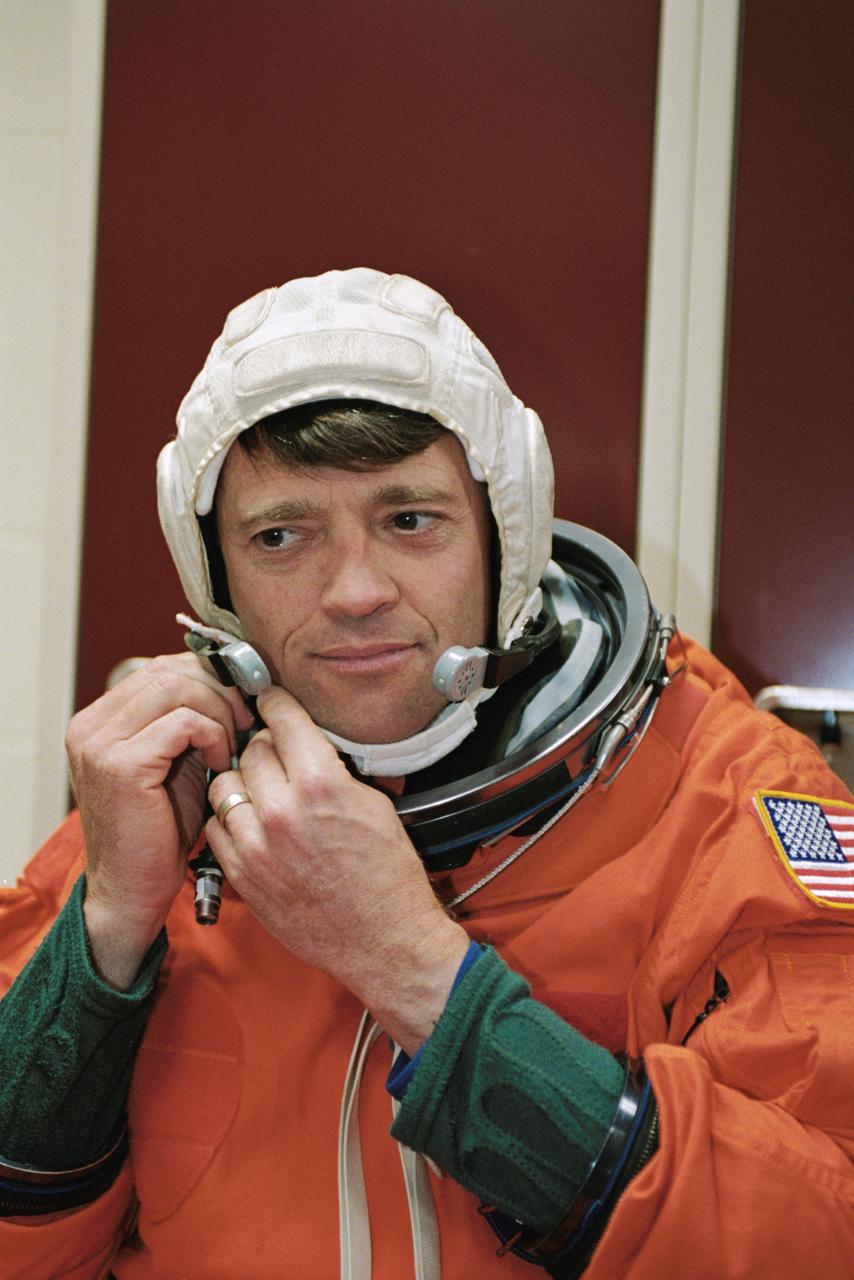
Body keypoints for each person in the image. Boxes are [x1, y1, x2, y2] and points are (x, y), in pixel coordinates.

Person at [1, 268, 853, 1280]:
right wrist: (107, 928)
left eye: (409, 518)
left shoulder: (723, 802)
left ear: (505, 533)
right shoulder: (156, 809)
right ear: (214, 577)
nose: (355, 591)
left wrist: (414, 969)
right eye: (280, 536)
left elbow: (818, 1235)